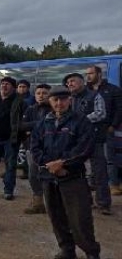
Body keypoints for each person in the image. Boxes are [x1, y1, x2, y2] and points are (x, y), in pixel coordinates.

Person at [30, 86, 101, 259]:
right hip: (48, 178)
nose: (59, 103)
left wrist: (63, 164)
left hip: (73, 178)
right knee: (56, 218)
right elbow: (35, 147)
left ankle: (91, 253)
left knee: (80, 220)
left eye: (63, 99)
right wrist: (50, 165)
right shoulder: (43, 122)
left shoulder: (81, 121)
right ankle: (67, 250)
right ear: (50, 101)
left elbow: (85, 148)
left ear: (70, 100)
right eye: (55, 100)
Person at [64, 72, 110, 215]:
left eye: (73, 81)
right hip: (77, 141)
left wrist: (80, 120)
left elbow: (101, 113)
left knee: (99, 172)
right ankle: (85, 202)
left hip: (95, 139)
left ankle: (103, 204)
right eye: (68, 82)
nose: (70, 84)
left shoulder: (94, 95)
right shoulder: (69, 99)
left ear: (82, 82)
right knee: (78, 172)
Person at [0, 76, 26, 200]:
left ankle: (8, 190)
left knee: (10, 166)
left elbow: (24, 120)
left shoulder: (19, 101)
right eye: (2, 84)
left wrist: (21, 137)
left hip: (11, 140)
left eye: (7, 84)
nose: (4, 86)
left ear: (13, 87)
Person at [85, 65, 122, 196]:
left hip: (106, 129)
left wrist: (113, 125)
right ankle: (93, 183)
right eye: (86, 74)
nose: (88, 76)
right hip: (88, 129)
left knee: (109, 158)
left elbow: (119, 109)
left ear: (99, 74)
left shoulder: (112, 89)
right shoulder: (85, 90)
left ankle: (114, 184)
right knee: (91, 158)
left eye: (91, 73)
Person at [20, 84, 52, 215]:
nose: (41, 95)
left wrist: (32, 128)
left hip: (51, 149)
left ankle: (52, 205)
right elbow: (21, 126)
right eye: (38, 93)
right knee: (33, 175)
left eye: (44, 93)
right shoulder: (30, 109)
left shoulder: (55, 109)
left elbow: (51, 125)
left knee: (50, 176)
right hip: (33, 148)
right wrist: (39, 124)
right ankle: (38, 203)